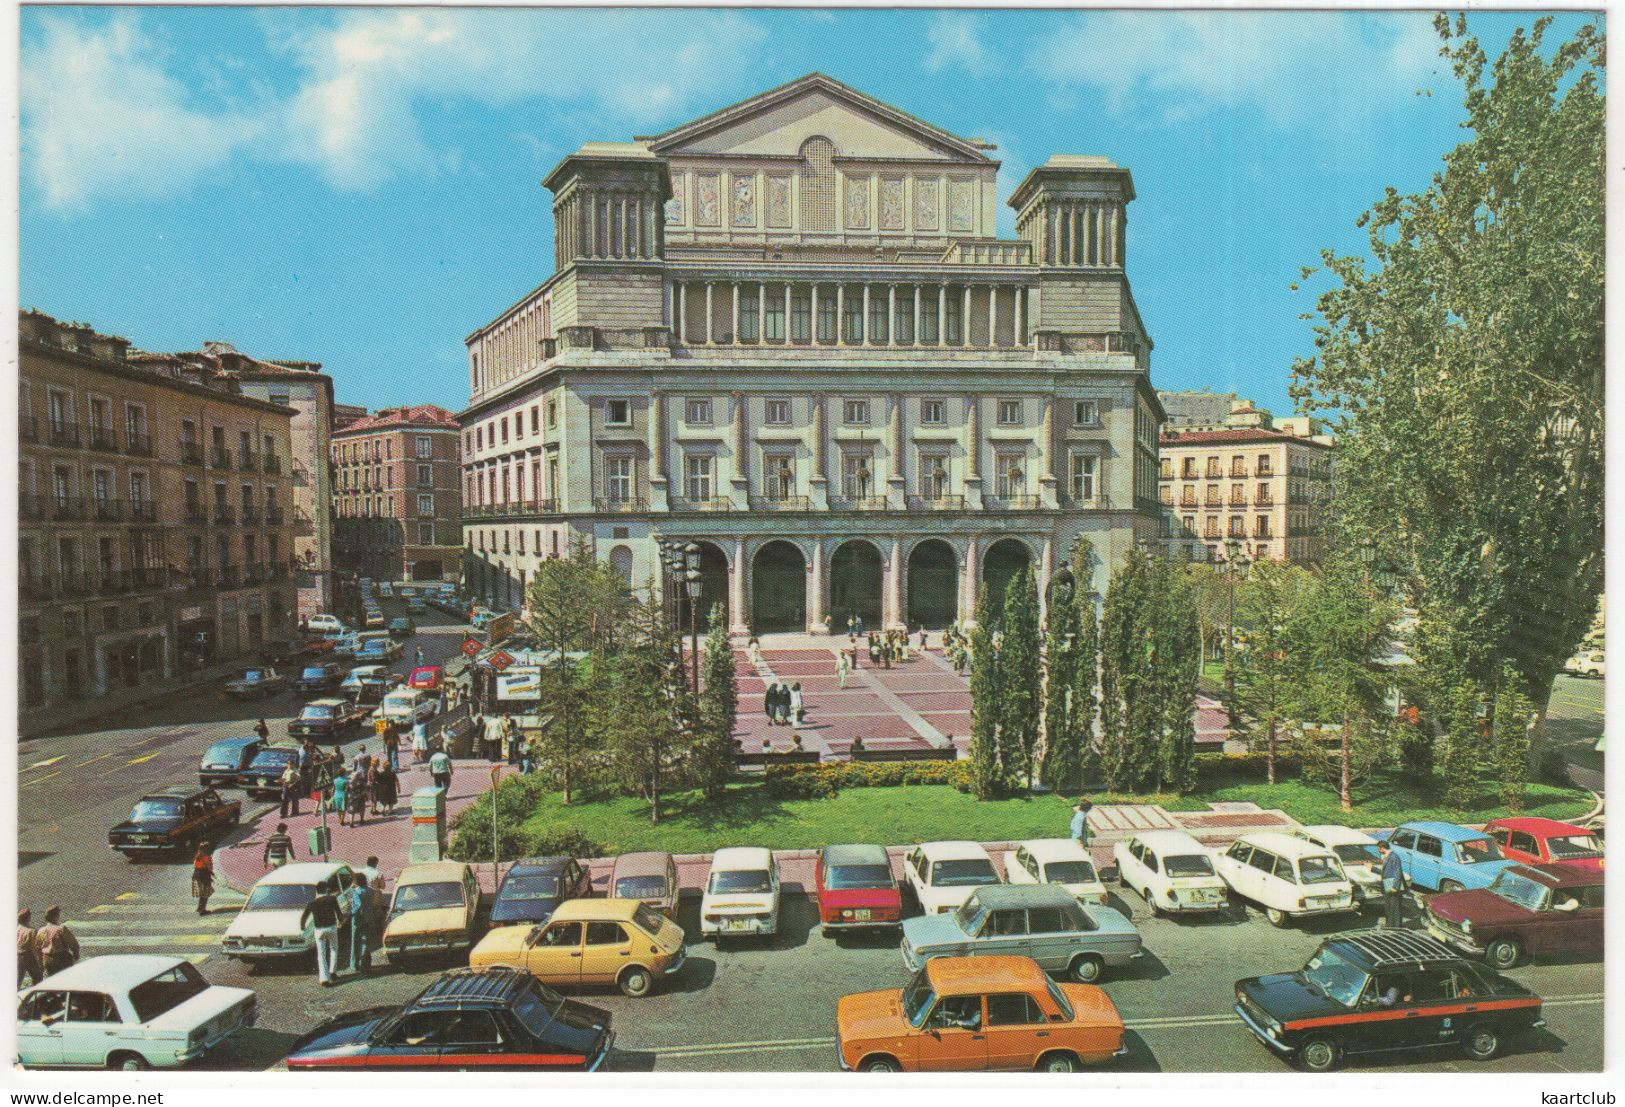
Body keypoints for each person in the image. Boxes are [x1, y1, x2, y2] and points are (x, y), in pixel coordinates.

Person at [300, 878, 342, 987]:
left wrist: (302, 926)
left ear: (317, 891)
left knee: (321, 955)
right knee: (334, 949)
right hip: (331, 928)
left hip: (319, 930)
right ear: (326, 889)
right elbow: (339, 914)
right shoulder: (332, 899)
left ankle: (324, 979)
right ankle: (333, 972)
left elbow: (304, 917)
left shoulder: (312, 903)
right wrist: (340, 921)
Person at [342, 873, 383, 975]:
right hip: (369, 919)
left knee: (355, 942)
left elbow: (357, 906)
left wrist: (348, 914)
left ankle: (354, 964)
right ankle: (366, 964)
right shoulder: (370, 891)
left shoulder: (356, 892)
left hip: (357, 919)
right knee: (366, 941)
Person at [35, 908, 79, 977]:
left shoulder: (41, 930)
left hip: (47, 959)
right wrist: (76, 955)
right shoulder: (61, 929)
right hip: (62, 959)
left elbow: (37, 948)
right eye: (58, 915)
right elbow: (73, 944)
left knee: (51, 981)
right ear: (55, 916)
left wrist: (40, 963)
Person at [1379, 839, 1406, 928]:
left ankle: (1397, 927)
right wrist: (1372, 868)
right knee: (1388, 907)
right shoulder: (1386, 856)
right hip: (1387, 885)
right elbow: (1385, 871)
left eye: (1379, 849)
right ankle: (1389, 925)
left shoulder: (1394, 857)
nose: (1379, 851)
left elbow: (1398, 872)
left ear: (1382, 848)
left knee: (1395, 907)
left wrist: (1395, 887)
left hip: (1393, 886)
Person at [17, 909, 42, 987]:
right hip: (28, 956)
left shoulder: (17, 929)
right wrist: (39, 960)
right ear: (28, 918)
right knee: (37, 977)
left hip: (17, 955)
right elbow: (35, 948)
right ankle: (34, 994)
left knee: (18, 979)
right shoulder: (32, 931)